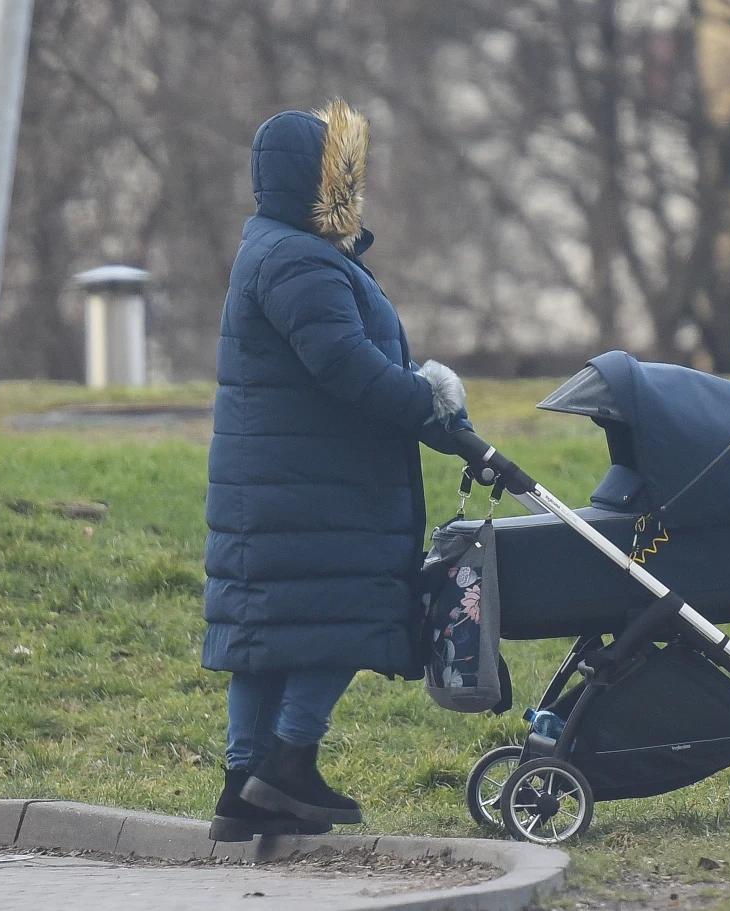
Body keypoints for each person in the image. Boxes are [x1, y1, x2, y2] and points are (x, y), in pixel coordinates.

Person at [201, 100, 471, 842]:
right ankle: (287, 761)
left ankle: (243, 787)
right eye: (344, 177)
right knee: (346, 613)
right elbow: (348, 366)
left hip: (288, 486)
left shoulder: (277, 249)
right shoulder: (298, 259)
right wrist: (432, 402)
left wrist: (435, 416)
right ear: (318, 182)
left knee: (269, 635)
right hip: (318, 491)